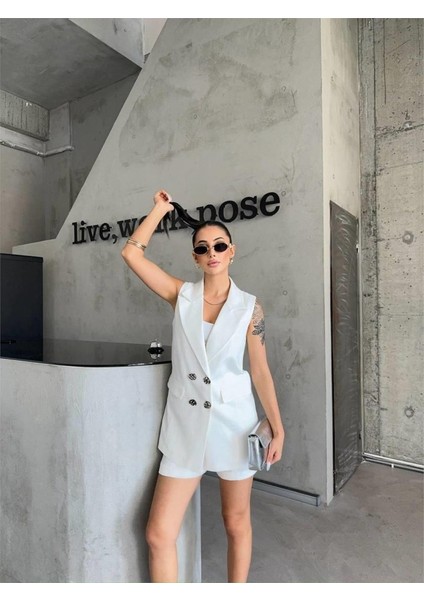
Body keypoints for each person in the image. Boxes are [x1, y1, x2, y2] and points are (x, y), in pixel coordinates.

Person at [121, 189, 285, 583]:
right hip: (186, 424)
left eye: (220, 245)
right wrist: (160, 210)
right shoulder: (182, 296)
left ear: (232, 252)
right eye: (203, 247)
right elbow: (131, 254)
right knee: (158, 534)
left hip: (235, 425)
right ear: (195, 257)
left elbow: (260, 370)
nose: (212, 252)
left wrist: (278, 427)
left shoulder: (250, 308)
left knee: (236, 522)